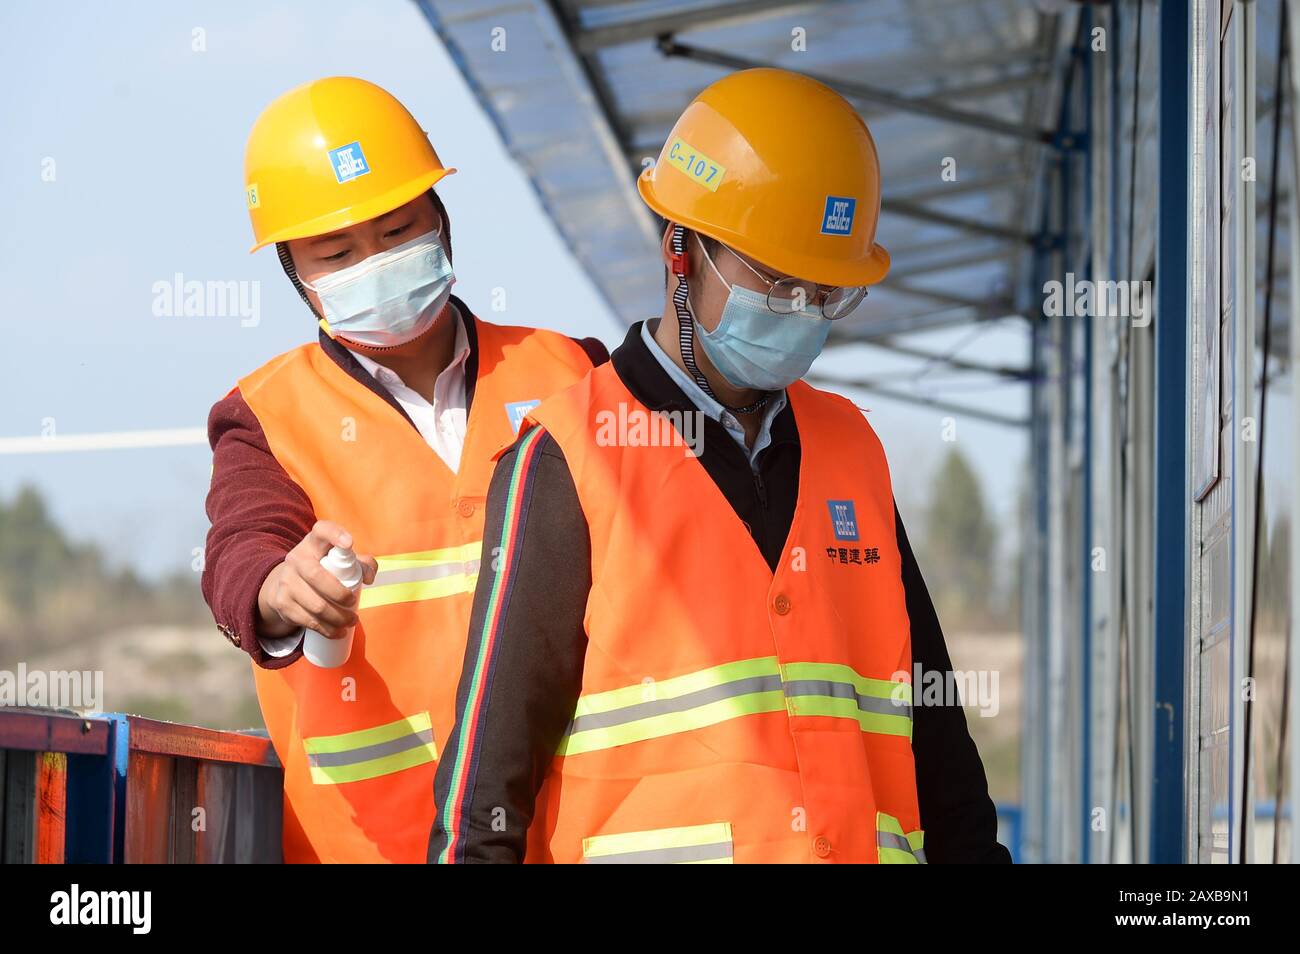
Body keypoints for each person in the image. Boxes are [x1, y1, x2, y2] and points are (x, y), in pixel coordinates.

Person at [428, 68, 1010, 864]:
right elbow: (486, 787)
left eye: (826, 292)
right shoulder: (569, 456)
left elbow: (937, 740)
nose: (803, 310)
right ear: (680, 250)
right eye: (778, 279)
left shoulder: (851, 448)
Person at [201, 76, 607, 863]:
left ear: (441, 221)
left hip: (569, 836)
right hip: (372, 846)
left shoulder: (575, 373)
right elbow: (242, 546)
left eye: (396, 231)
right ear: (295, 269)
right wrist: (278, 590)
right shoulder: (264, 414)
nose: (375, 262)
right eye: (338, 251)